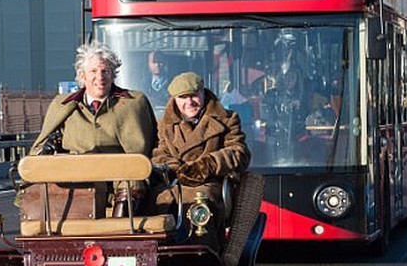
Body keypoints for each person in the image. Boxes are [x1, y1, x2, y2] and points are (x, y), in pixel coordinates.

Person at [32, 42, 156, 210]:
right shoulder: (62, 105)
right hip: (76, 178)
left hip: (122, 179)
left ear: (113, 75)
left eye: (105, 71)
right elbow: (38, 149)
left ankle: (122, 232)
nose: (100, 77)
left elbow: (146, 150)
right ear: (82, 76)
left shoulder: (134, 103)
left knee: (131, 184)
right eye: (93, 71)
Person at [151, 72, 250, 243]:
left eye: (194, 95)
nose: (189, 102)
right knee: (155, 204)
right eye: (183, 97)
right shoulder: (164, 125)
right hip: (175, 184)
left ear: (203, 94)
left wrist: (206, 165)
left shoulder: (227, 119)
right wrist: (178, 169)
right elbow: (160, 154)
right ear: (175, 99)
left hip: (209, 183)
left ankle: (205, 256)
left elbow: (239, 152)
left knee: (200, 209)